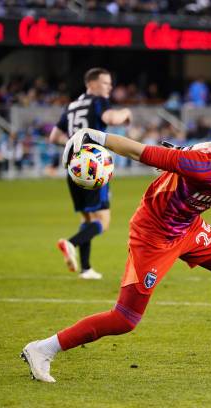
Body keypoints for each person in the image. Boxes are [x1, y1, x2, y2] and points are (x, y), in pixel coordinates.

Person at [21, 122, 211, 382]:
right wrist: (93, 135)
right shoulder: (204, 166)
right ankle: (43, 349)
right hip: (153, 235)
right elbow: (140, 152)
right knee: (125, 319)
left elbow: (199, 149)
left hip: (188, 228)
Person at [49, 68, 132, 280]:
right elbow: (111, 118)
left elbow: (54, 136)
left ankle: (85, 269)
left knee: (87, 218)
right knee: (103, 221)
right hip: (94, 166)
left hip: (73, 166)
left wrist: (74, 143)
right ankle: (71, 243)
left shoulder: (72, 106)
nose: (109, 88)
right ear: (92, 84)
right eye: (106, 83)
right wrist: (126, 114)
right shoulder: (97, 101)